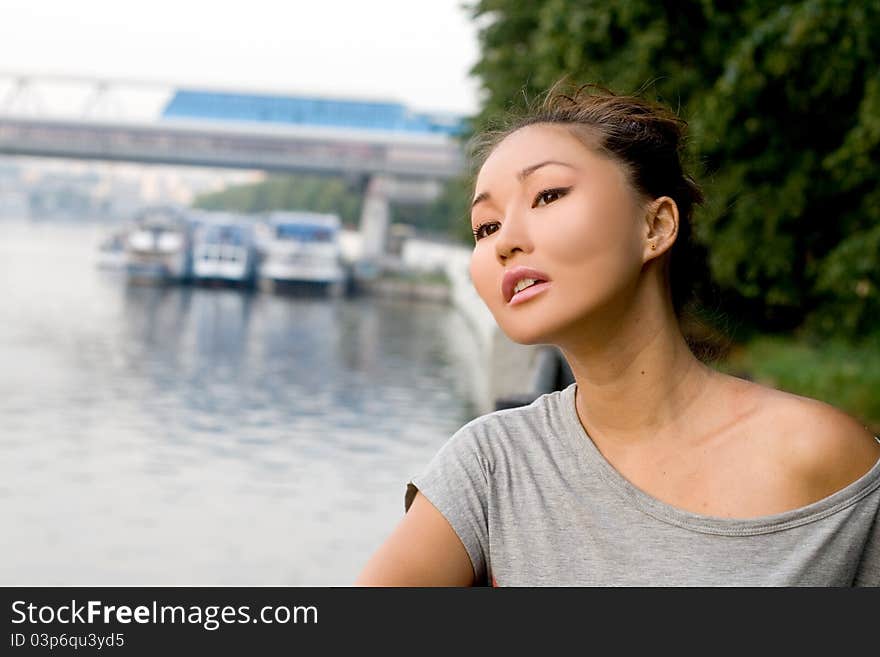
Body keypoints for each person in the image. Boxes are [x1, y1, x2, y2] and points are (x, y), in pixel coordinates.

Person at [354, 85, 880, 586]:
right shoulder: (491, 464)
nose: (504, 242)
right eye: (485, 227)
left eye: (547, 195)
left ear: (655, 227)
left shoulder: (821, 455)